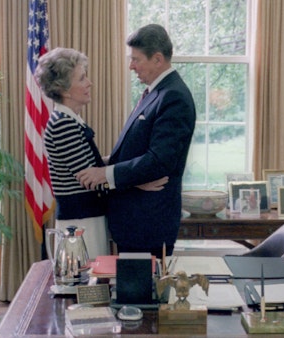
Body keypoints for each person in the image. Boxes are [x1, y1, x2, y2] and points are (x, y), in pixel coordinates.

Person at [76, 24, 196, 258]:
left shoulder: (174, 97)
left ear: (158, 59)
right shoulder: (156, 92)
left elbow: (159, 161)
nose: (131, 66)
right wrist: (109, 163)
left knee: (144, 294)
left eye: (136, 59)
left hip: (148, 225)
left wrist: (106, 174)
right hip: (136, 222)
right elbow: (139, 150)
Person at [36, 48, 166, 259]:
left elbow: (95, 167)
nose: (89, 83)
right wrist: (137, 182)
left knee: (94, 285)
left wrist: (134, 168)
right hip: (79, 224)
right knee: (86, 287)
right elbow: (90, 178)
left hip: (88, 218)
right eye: (82, 78)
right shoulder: (63, 125)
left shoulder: (70, 121)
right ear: (65, 90)